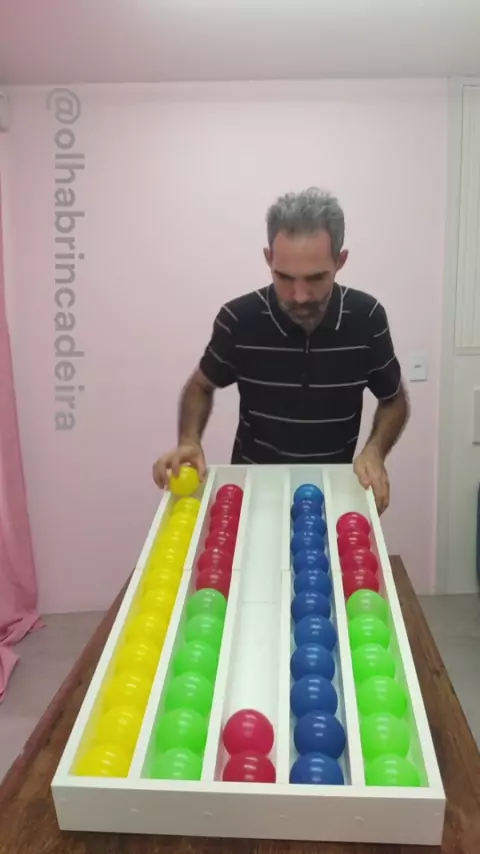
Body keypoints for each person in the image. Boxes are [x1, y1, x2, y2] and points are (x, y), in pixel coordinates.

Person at [153, 188, 409, 513]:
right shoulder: (238, 319)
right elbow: (200, 386)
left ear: (340, 260)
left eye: (316, 278)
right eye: (284, 277)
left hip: (331, 491)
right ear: (268, 258)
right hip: (253, 493)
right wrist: (189, 440)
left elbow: (393, 400)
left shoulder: (367, 317)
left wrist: (375, 451)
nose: (299, 296)